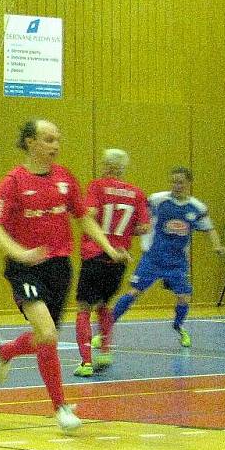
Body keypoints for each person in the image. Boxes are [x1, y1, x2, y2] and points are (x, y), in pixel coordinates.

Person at [0, 119, 128, 432]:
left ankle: (6, 351)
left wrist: (109, 247)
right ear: (31, 142)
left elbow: (84, 218)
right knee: (47, 334)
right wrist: (19, 252)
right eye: (48, 140)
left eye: (57, 140)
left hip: (59, 268)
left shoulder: (65, 178)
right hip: (25, 268)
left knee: (44, 339)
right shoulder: (13, 181)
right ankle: (61, 407)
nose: (55, 146)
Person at [107, 167, 225, 348]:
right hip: (153, 258)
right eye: (174, 181)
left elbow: (209, 228)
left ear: (188, 183)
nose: (176, 185)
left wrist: (217, 245)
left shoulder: (197, 207)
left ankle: (179, 327)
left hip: (177, 262)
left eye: (180, 182)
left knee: (184, 296)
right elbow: (138, 212)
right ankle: (106, 328)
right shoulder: (158, 200)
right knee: (133, 292)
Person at [73, 149, 150, 377]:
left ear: (107, 165)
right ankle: (105, 350)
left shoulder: (97, 186)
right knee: (104, 305)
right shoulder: (136, 193)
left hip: (94, 254)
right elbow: (144, 227)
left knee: (84, 307)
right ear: (123, 169)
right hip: (119, 257)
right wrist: (124, 234)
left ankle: (86, 362)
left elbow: (90, 214)